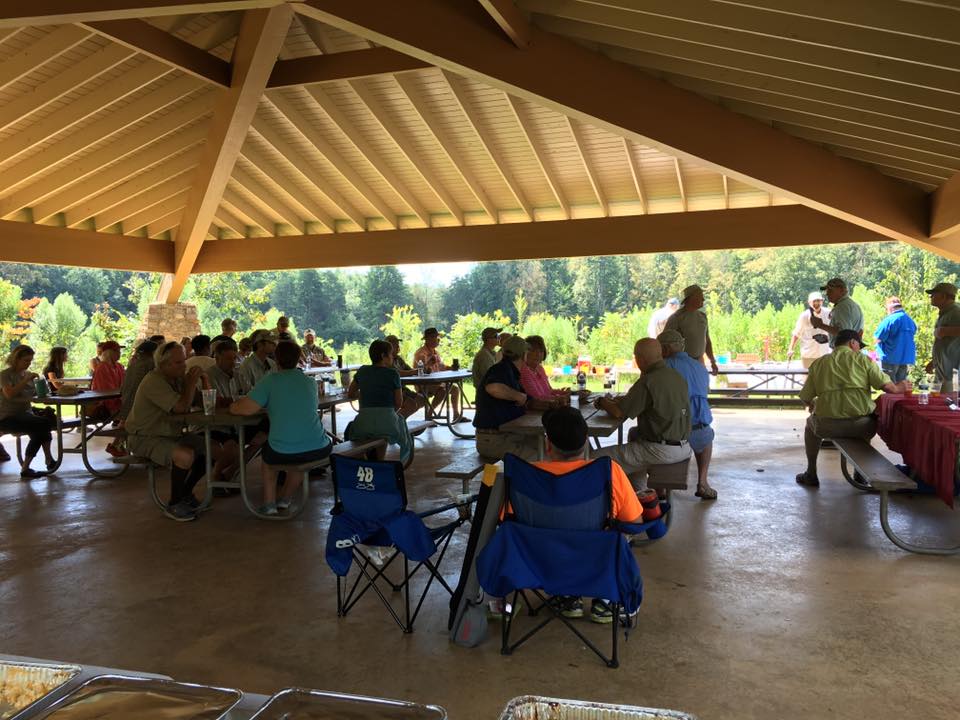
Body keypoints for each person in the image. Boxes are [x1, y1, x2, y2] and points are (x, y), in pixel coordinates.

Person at [532, 405, 644, 623]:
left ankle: (566, 596)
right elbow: (634, 522)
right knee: (621, 533)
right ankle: (604, 600)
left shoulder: (527, 476)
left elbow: (507, 521)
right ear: (586, 442)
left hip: (543, 558)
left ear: (547, 444)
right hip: (595, 555)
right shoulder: (609, 472)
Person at [795, 329, 911, 487]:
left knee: (810, 425)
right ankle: (858, 473)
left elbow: (806, 397)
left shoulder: (820, 363)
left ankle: (811, 473)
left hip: (827, 426)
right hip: (861, 427)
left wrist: (812, 405)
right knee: (869, 417)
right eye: (859, 345)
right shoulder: (863, 360)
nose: (859, 349)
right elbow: (890, 388)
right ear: (852, 342)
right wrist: (901, 386)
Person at [230, 341, 332, 516]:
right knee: (299, 460)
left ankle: (269, 503)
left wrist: (233, 406)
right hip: (320, 447)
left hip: (284, 450)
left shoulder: (270, 381)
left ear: (276, 359)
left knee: (269, 458)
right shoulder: (310, 382)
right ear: (298, 358)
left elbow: (245, 409)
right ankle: (284, 498)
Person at [125, 341, 223, 521]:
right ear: (163, 364)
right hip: (145, 436)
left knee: (215, 450)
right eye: (179, 363)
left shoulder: (177, 379)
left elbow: (206, 404)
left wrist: (205, 380)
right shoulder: (154, 381)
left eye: (184, 361)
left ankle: (185, 493)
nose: (184, 366)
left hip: (172, 434)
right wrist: (191, 382)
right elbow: (181, 407)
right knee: (184, 455)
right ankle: (174, 503)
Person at [592, 338, 691, 492]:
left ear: (641, 360)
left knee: (592, 459)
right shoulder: (675, 376)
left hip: (661, 450)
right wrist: (622, 401)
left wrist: (602, 402)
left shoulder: (648, 380)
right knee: (634, 436)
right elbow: (644, 402)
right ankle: (641, 495)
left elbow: (619, 413)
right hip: (683, 446)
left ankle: (593, 501)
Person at [658, 330, 716, 500]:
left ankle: (660, 488)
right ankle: (703, 482)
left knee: (646, 433)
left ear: (666, 349)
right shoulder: (699, 366)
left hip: (675, 433)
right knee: (707, 434)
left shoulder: (665, 366)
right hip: (701, 428)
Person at [207, 338, 267, 483]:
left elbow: (251, 396)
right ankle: (216, 477)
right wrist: (237, 400)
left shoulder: (238, 375)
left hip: (238, 424)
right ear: (217, 358)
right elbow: (215, 402)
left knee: (265, 434)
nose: (232, 362)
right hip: (217, 425)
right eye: (228, 358)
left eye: (234, 358)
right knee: (232, 448)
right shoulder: (209, 376)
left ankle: (231, 472)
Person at [473, 335, 540, 462]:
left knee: (545, 446)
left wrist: (545, 403)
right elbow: (493, 388)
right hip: (492, 439)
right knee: (538, 458)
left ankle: (516, 481)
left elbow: (528, 399)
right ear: (523, 354)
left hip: (506, 435)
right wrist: (519, 396)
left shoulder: (509, 371)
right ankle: (514, 481)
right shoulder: (500, 369)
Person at [345, 339, 413, 463]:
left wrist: (365, 393)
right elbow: (399, 403)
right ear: (383, 356)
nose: (393, 357)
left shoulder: (362, 371)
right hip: (388, 424)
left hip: (364, 423)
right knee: (387, 430)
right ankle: (383, 462)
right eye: (391, 354)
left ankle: (362, 459)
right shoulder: (393, 374)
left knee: (351, 431)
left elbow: (351, 392)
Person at [0, 345, 54, 478]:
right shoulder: (4, 375)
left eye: (30, 361)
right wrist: (26, 380)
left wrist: (43, 390)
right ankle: (45, 461)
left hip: (26, 413)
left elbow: (34, 394)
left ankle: (36, 464)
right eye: (26, 360)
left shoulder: (27, 375)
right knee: (42, 424)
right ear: (16, 359)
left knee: (45, 423)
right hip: (8, 416)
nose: (28, 364)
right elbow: (10, 394)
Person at [664, 285, 719, 375]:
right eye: (700, 297)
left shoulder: (702, 317)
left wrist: (713, 361)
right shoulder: (676, 318)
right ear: (691, 298)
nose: (703, 299)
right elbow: (664, 343)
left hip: (700, 363)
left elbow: (707, 341)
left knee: (702, 388)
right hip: (682, 365)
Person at [413, 327, 462, 420]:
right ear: (427, 339)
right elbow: (420, 370)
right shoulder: (421, 353)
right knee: (443, 390)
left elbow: (441, 367)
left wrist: (451, 368)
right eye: (434, 337)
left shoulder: (436, 353)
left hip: (436, 382)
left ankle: (456, 415)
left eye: (437, 337)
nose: (437, 340)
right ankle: (429, 414)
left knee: (455, 389)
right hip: (424, 383)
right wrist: (428, 364)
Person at [925, 282, 960, 392]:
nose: (931, 297)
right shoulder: (945, 313)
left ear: (944, 296)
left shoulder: (956, 312)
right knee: (934, 403)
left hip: (951, 376)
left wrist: (945, 331)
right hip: (941, 373)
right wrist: (934, 362)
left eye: (934, 294)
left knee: (946, 406)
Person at [873, 296, 917, 383]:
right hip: (905, 359)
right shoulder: (910, 321)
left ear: (890, 308)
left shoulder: (889, 320)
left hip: (890, 359)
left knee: (890, 386)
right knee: (901, 386)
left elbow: (878, 338)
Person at [810, 277, 863, 347]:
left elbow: (844, 333)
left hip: (844, 352)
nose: (827, 294)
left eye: (830, 290)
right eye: (827, 291)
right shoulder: (851, 304)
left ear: (841, 290)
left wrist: (820, 325)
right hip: (851, 349)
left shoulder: (842, 307)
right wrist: (830, 338)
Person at [787, 292, 832, 368]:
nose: (816, 303)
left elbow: (834, 331)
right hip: (808, 354)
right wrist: (790, 349)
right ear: (809, 303)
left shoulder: (828, 314)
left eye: (818, 301)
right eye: (814, 301)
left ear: (822, 301)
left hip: (824, 353)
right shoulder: (804, 316)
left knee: (823, 378)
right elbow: (796, 333)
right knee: (808, 378)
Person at [385, 335, 425, 418]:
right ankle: (394, 421)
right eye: (395, 344)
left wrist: (422, 370)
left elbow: (409, 370)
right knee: (411, 405)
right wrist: (413, 372)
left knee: (422, 400)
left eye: (398, 344)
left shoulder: (398, 359)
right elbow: (396, 373)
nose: (398, 346)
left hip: (402, 388)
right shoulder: (386, 360)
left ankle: (399, 419)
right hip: (392, 390)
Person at [520, 335, 568, 402]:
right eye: (533, 350)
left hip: (549, 406)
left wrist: (568, 393)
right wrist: (563, 397)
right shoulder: (523, 370)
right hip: (536, 410)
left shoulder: (539, 369)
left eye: (541, 351)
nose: (538, 354)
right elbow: (536, 398)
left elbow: (549, 391)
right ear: (525, 353)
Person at [89, 340, 125, 420]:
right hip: (105, 405)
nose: (120, 353)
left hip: (119, 401)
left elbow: (124, 384)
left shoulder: (119, 366)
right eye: (117, 351)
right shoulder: (102, 368)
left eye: (119, 351)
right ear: (109, 352)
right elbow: (106, 390)